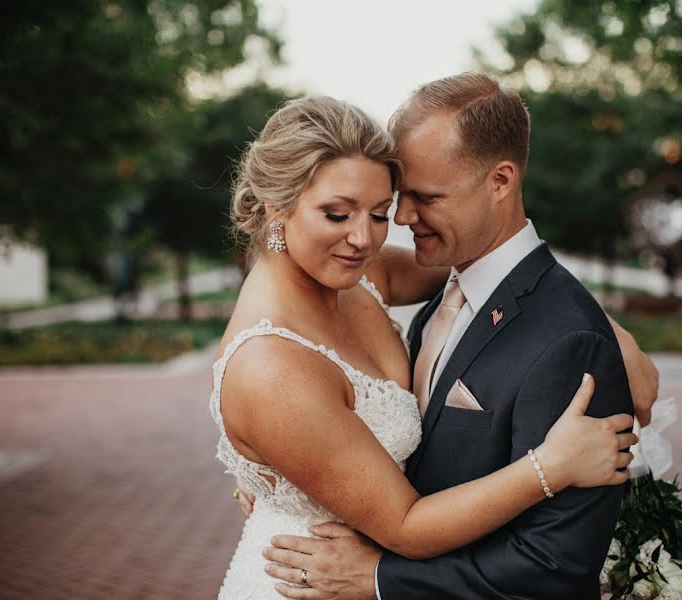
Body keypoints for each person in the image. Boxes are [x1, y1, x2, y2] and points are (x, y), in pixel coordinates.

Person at [250, 75, 659, 600]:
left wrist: (377, 579)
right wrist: (286, 474)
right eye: (398, 199)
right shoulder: (443, 289)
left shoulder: (570, 343)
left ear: (501, 180)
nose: (399, 218)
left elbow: (553, 569)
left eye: (425, 197)